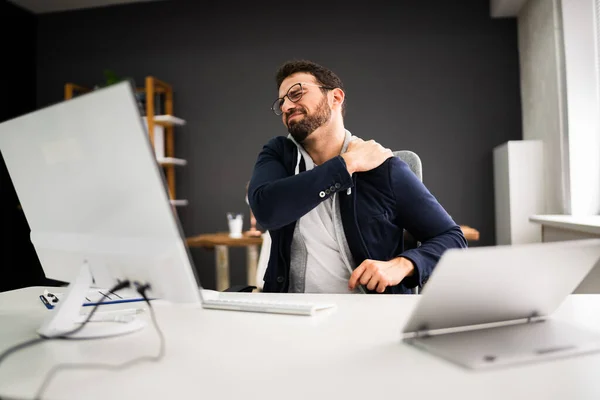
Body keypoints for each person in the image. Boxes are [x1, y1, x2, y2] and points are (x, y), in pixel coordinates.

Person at [248, 59, 467, 294]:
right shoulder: (279, 154)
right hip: (296, 313)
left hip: (368, 313)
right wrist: (347, 164)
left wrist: (404, 264)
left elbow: (453, 239)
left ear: (336, 97)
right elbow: (266, 210)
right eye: (281, 102)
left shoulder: (382, 167)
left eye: (296, 93)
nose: (286, 106)